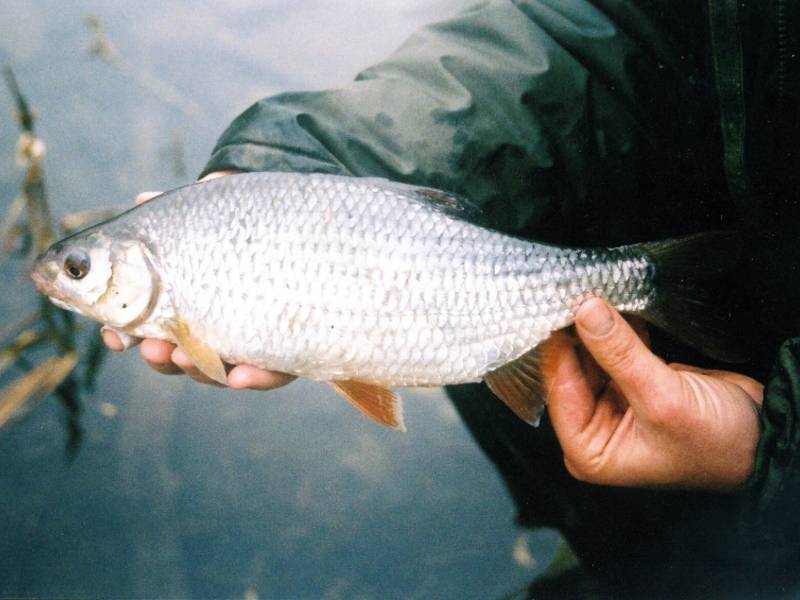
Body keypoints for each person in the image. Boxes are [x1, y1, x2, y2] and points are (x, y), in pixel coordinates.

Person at [104, 1, 800, 596]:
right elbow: (601, 23)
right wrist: (307, 163)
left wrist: (769, 447)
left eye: (80, 270)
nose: (68, 282)